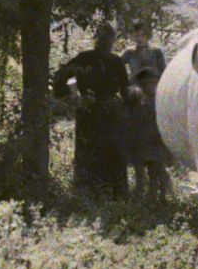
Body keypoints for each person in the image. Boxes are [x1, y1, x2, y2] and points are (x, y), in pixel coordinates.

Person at [51, 24, 132, 197]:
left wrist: (128, 109)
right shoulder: (83, 59)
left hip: (111, 115)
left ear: (113, 41)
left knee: (114, 155)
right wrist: (75, 98)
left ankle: (115, 195)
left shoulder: (116, 62)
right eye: (101, 37)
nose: (104, 42)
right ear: (96, 39)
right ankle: (87, 195)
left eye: (108, 38)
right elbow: (59, 79)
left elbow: (125, 90)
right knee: (88, 154)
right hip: (89, 113)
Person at [121, 27, 173, 198]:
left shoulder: (156, 51)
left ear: (146, 35)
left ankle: (162, 183)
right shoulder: (129, 53)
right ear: (131, 36)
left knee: (156, 135)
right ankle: (140, 181)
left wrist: (161, 89)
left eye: (141, 34)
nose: (138, 37)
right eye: (135, 35)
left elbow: (164, 71)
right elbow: (118, 67)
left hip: (154, 90)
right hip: (136, 92)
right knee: (134, 128)